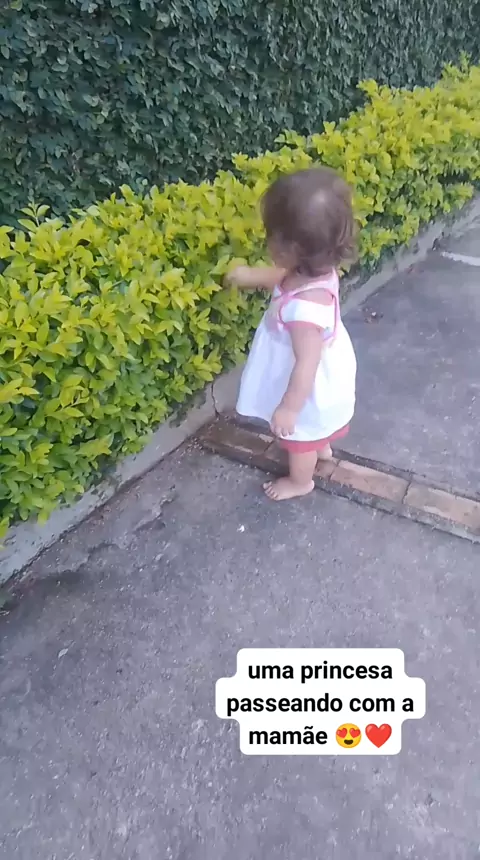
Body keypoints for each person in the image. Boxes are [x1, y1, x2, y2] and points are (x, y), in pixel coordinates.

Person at [226, 167, 357, 501]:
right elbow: (281, 277)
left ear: (291, 248)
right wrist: (249, 276)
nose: (266, 240)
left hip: (306, 381)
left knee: (298, 437)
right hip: (323, 367)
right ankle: (322, 446)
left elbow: (306, 364)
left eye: (270, 235)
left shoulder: (304, 311)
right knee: (314, 427)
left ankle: (301, 481)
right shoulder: (316, 269)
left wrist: (288, 408)